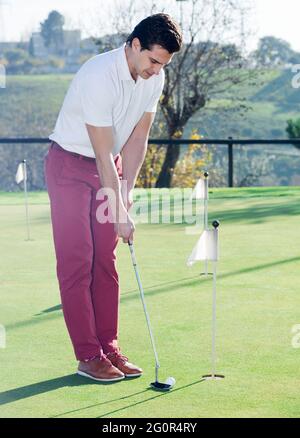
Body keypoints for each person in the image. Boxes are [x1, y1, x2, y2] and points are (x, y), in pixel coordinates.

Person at [44, 13, 182, 383]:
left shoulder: (156, 77)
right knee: (79, 261)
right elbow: (102, 152)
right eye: (153, 60)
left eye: (163, 64)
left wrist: (126, 190)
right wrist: (118, 209)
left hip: (109, 166)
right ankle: (88, 355)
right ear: (135, 45)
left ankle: (110, 347)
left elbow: (138, 139)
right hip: (70, 167)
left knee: (105, 260)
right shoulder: (98, 75)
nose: (157, 70)